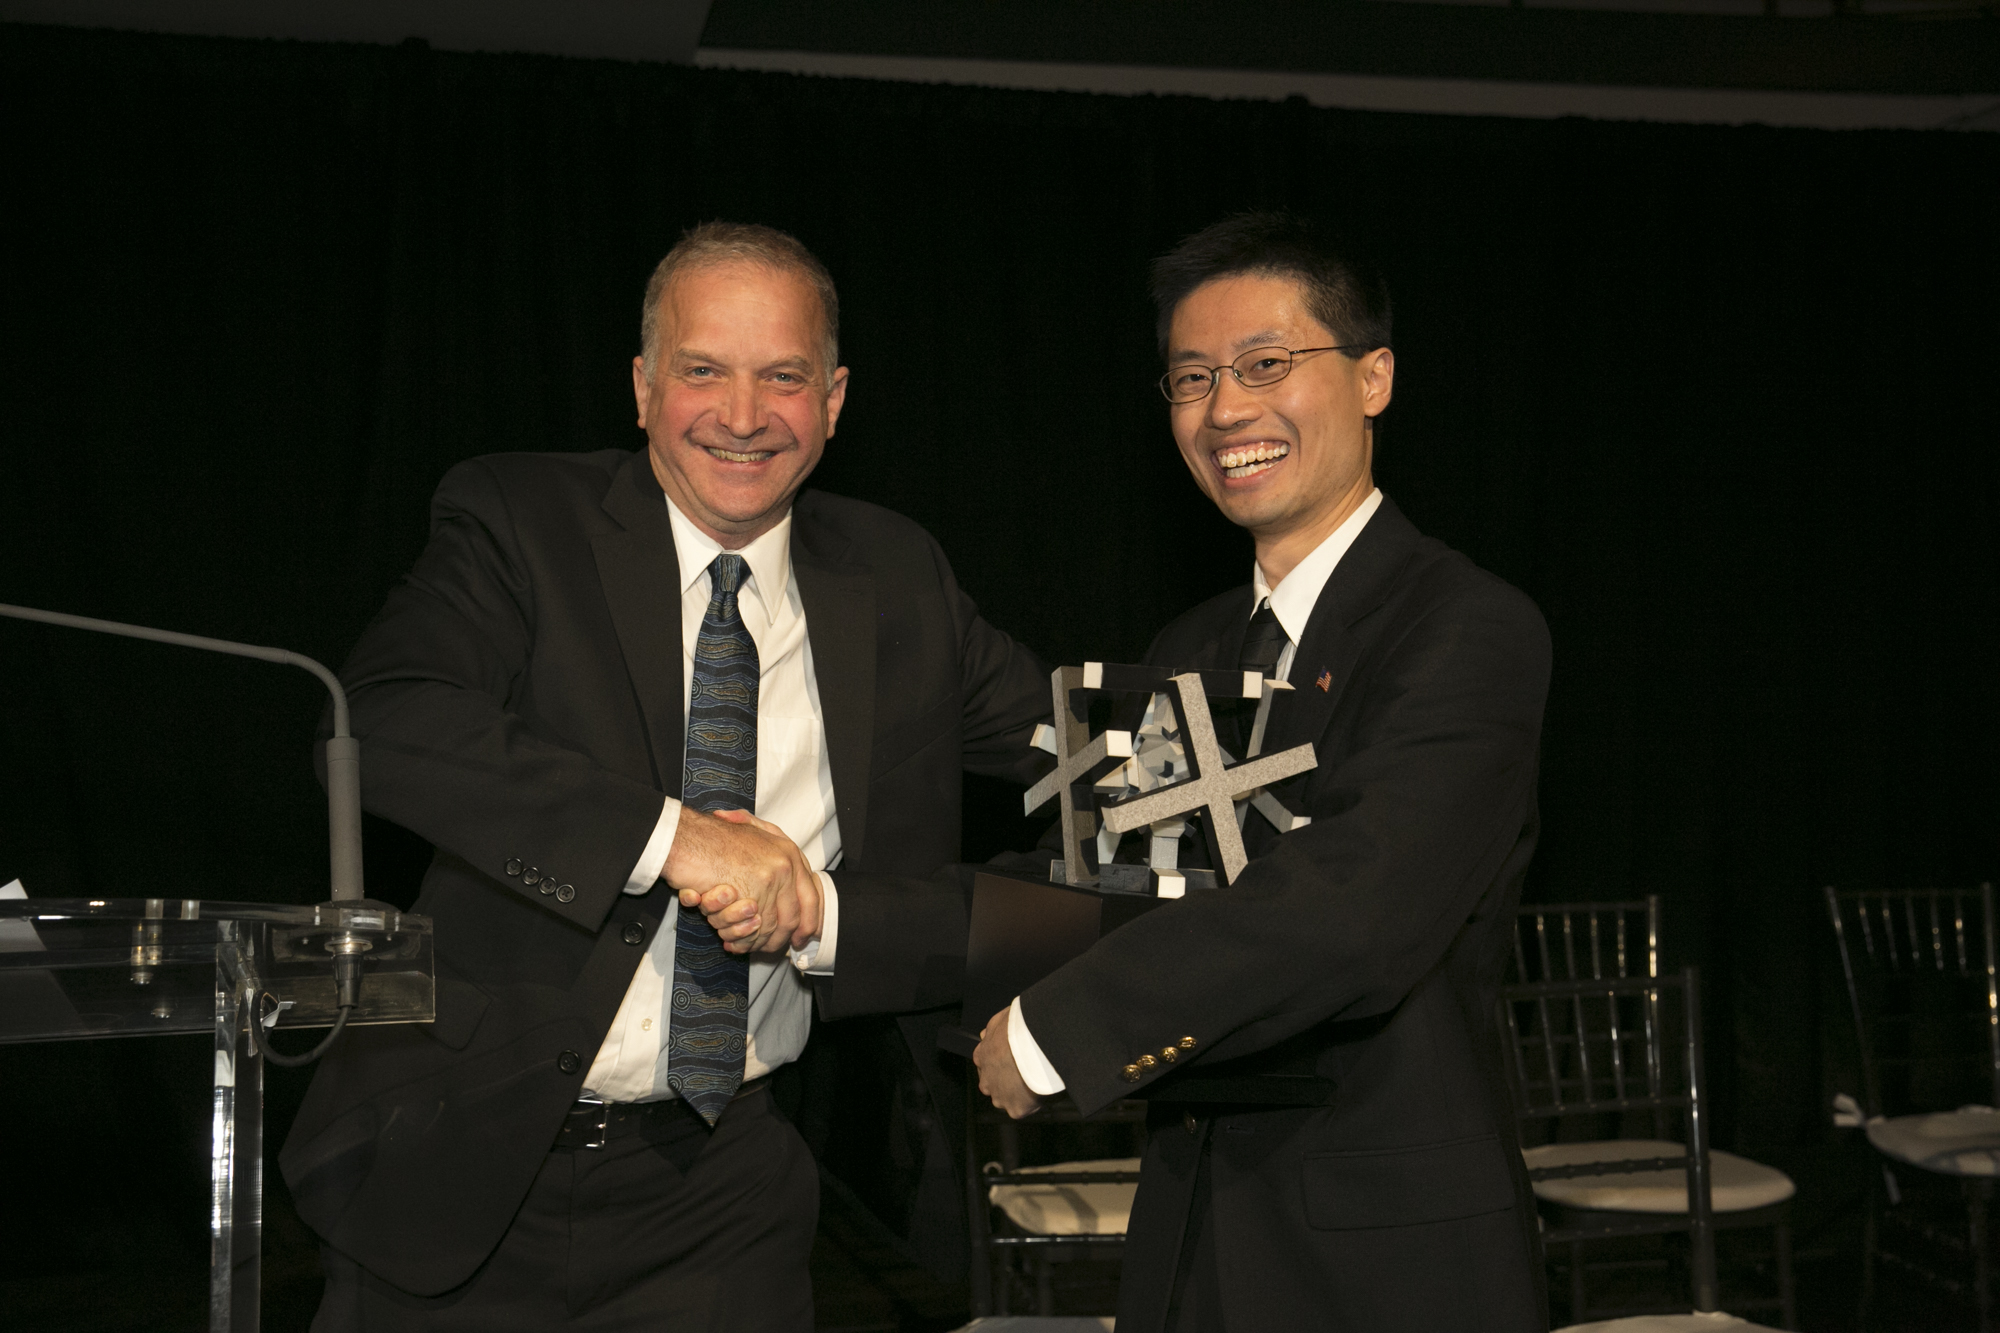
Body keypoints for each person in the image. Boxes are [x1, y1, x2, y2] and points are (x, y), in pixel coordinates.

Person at [281, 221, 1050, 1332]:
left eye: (782, 376)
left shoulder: (897, 577)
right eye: (703, 371)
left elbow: (1089, 759)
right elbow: (389, 722)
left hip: (724, 1185)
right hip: (462, 1156)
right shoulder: (521, 521)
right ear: (642, 388)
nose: (742, 415)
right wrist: (676, 836)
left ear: (832, 399)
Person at [972, 212, 1553, 1333]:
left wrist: (1053, 1034)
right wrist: (855, 933)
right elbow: (1116, 893)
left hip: (1385, 1261)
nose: (1224, 409)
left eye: (1265, 364)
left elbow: (1353, 910)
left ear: (1373, 376)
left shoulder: (1467, 627)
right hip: (1190, 1240)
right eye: (1190, 378)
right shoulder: (1188, 645)